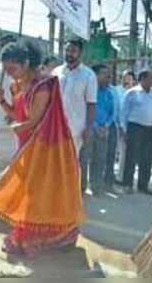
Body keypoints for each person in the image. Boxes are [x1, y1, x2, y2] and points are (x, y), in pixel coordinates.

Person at [0, 41, 84, 258]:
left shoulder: (43, 85)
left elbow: (33, 122)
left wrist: (2, 130)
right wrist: (1, 102)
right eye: (6, 69)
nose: (9, 74)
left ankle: (50, 237)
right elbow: (18, 116)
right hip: (26, 145)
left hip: (46, 147)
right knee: (29, 193)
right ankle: (29, 235)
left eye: (13, 69)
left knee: (41, 193)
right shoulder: (17, 85)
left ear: (26, 63)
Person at [52, 39, 97, 155]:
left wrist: (88, 128)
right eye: (67, 50)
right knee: (53, 161)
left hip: (75, 129)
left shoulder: (88, 75)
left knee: (69, 163)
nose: (69, 53)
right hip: (54, 126)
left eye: (73, 51)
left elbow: (91, 104)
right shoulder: (56, 72)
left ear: (80, 53)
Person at [121, 69, 152, 195]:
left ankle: (143, 185)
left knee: (147, 158)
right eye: (151, 78)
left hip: (151, 129)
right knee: (131, 156)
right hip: (135, 128)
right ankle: (128, 184)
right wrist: (123, 129)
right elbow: (124, 112)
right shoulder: (132, 93)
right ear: (143, 79)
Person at [81, 64, 114, 197]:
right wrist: (95, 126)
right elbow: (84, 110)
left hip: (103, 130)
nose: (108, 77)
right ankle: (81, 188)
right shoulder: (88, 90)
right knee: (84, 159)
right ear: (95, 75)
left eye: (108, 74)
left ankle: (96, 187)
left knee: (100, 159)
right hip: (89, 129)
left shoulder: (109, 92)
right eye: (104, 74)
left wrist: (106, 125)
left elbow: (112, 112)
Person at [0, 35, 18, 174]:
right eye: (4, 46)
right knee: (1, 163)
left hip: (14, 123)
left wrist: (14, 112)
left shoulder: (21, 70)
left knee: (14, 162)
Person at [116, 70, 136, 184]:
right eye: (124, 77)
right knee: (113, 152)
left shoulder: (136, 92)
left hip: (131, 127)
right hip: (115, 125)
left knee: (126, 153)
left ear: (133, 79)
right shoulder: (116, 90)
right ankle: (110, 175)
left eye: (129, 77)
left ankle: (121, 177)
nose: (126, 79)